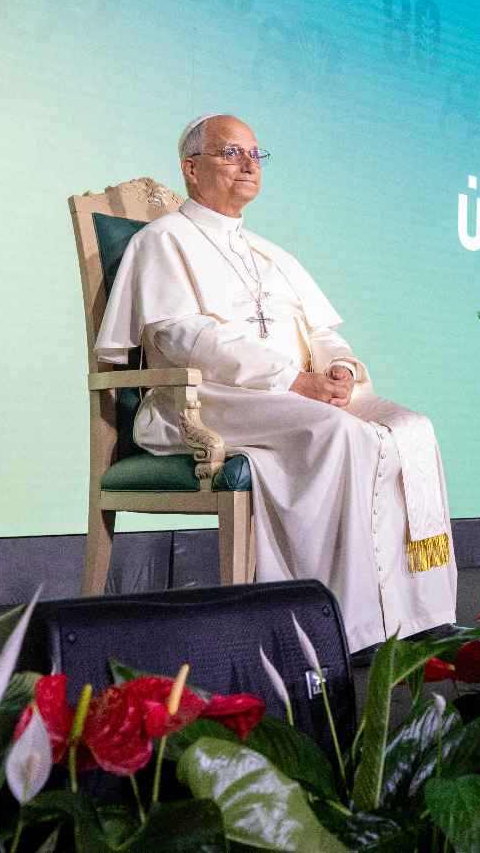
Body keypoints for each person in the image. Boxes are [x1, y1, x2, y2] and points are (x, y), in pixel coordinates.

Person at [95, 115, 456, 654]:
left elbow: (321, 331)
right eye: (231, 153)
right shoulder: (163, 240)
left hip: (299, 391)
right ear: (191, 169)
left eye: (255, 154)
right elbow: (181, 336)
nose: (248, 164)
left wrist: (339, 370)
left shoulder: (270, 253)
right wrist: (292, 380)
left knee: (411, 428)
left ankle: (418, 613)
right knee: (339, 433)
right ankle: (339, 627)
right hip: (207, 399)